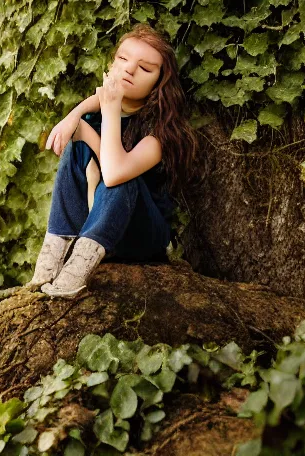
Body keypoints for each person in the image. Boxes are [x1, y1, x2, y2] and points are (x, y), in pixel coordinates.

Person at [26, 23, 198, 298]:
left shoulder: (161, 134)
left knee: (120, 178)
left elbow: (116, 173)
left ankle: (77, 270)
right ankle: (52, 259)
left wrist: (104, 114)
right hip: (99, 224)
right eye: (123, 59)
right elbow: (92, 110)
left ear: (159, 83)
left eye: (145, 68)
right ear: (111, 64)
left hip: (141, 234)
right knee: (76, 148)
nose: (130, 69)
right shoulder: (98, 111)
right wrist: (75, 116)